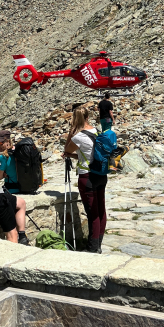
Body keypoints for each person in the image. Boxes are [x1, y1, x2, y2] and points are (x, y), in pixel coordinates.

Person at [63, 106, 107, 254]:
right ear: (88, 117)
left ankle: (92, 248)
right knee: (101, 210)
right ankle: (98, 243)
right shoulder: (97, 131)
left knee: (92, 213)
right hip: (101, 174)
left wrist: (71, 131)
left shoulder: (78, 137)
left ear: (74, 119)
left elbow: (67, 151)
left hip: (87, 177)